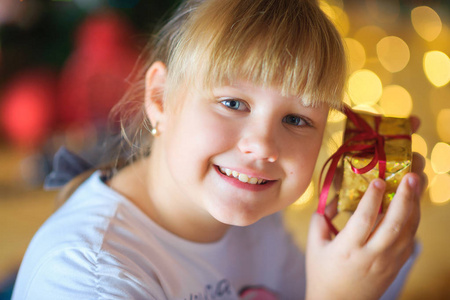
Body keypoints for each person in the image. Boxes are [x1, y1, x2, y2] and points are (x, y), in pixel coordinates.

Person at [12, 0, 425, 299]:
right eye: (233, 103)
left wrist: (367, 243)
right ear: (160, 97)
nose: (263, 147)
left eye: (297, 120)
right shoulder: (91, 279)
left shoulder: (253, 219)